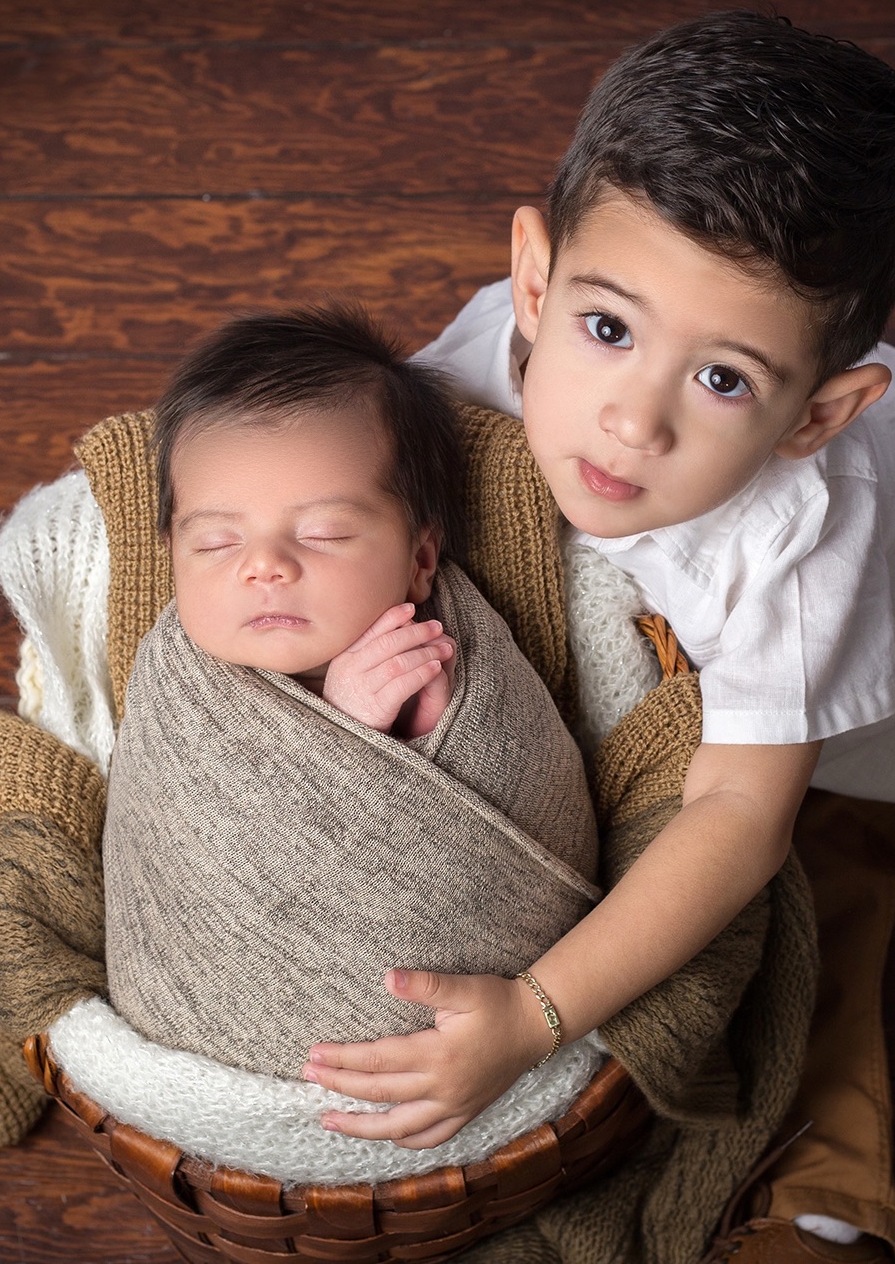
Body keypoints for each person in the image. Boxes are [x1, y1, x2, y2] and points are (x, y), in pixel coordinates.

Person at [299, 12, 895, 1264]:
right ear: (532, 277)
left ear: (818, 413)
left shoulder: (794, 526)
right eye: (607, 329)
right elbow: (332, 525)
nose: (632, 423)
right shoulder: (451, 392)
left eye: (722, 378)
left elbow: (734, 815)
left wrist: (536, 1010)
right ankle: (824, 1208)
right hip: (789, 658)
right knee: (810, 906)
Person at [101, 305, 602, 1096]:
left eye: (326, 532)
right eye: (215, 541)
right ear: (173, 554)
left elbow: (515, 787)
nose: (263, 565)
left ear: (419, 558)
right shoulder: (179, 677)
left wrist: (421, 731)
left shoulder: (440, 652)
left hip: (447, 1022)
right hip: (205, 996)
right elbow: (175, 827)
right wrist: (338, 730)